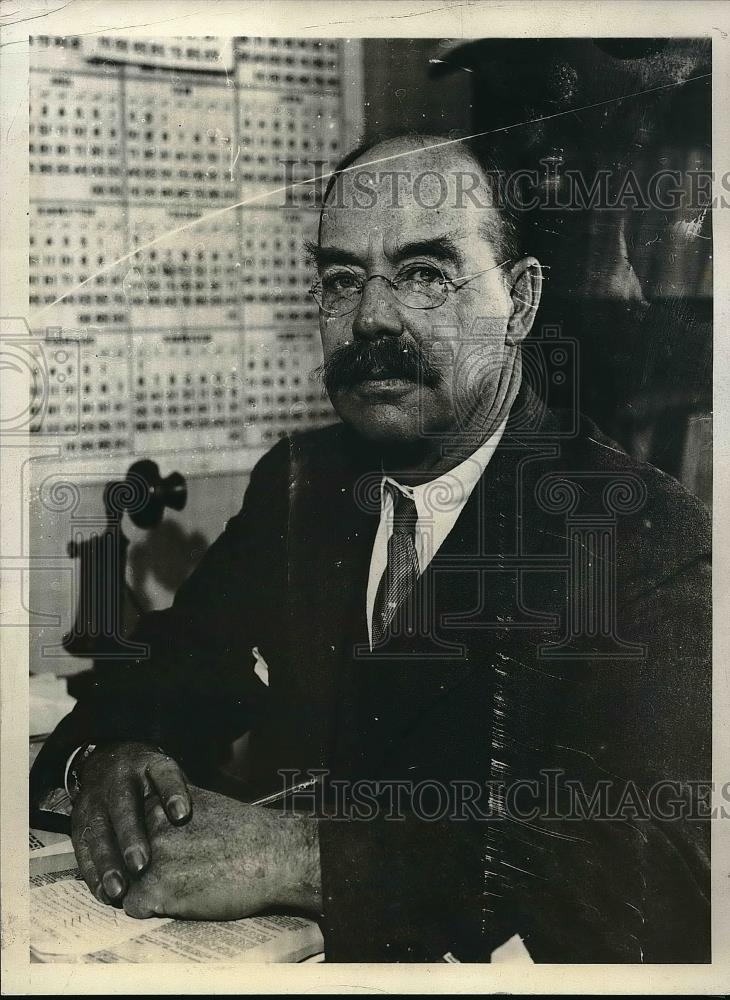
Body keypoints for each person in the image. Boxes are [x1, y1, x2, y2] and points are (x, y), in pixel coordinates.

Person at [30, 133, 711, 962]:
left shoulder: (642, 532)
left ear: (522, 302)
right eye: (341, 280)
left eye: (425, 275)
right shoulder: (300, 486)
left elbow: (659, 878)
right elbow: (174, 669)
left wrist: (300, 857)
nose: (373, 317)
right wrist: (104, 759)